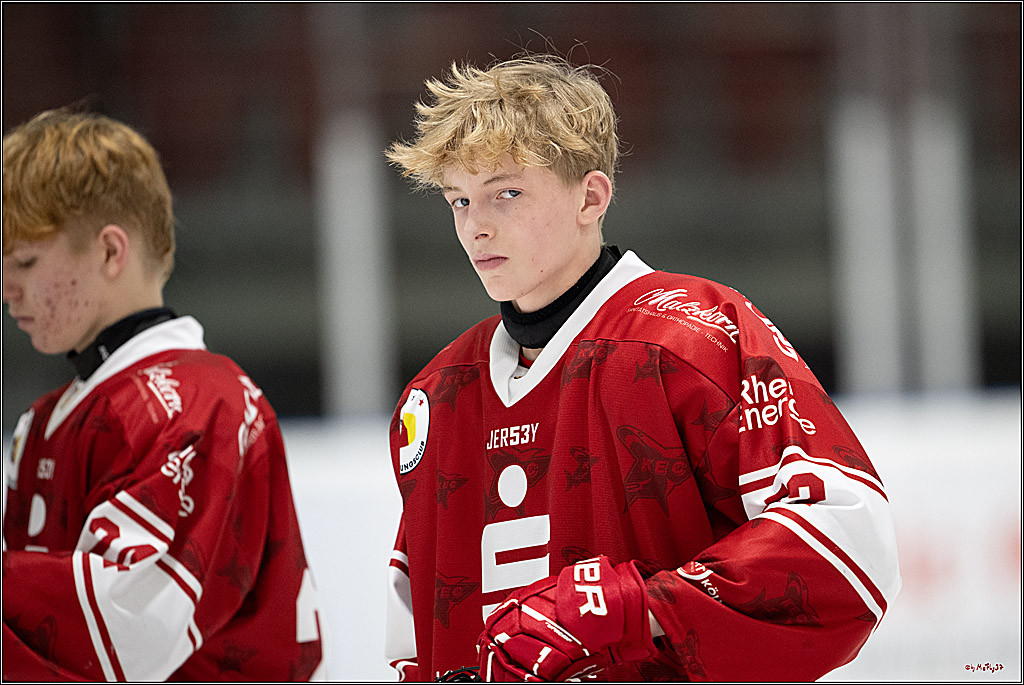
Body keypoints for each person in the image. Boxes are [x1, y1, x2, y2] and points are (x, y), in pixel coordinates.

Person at [382, 55, 900, 682]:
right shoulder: (438, 396)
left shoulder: (690, 338)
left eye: (506, 193)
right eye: (459, 200)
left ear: (590, 196)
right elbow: (414, 639)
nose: (476, 227)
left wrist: (633, 609)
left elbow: (849, 544)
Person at [2, 108, 325, 681]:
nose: (8, 289)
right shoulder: (45, 421)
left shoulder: (200, 408)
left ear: (110, 252)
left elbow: (128, 629)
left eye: (25, 262)